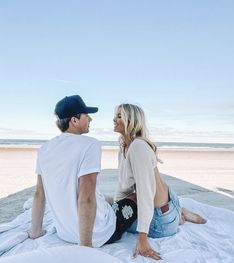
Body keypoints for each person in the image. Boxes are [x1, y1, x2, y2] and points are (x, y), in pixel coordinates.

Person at [28, 95, 137, 247]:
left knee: (109, 199)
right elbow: (86, 197)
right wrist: (86, 246)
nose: (90, 120)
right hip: (100, 233)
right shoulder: (90, 144)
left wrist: (35, 231)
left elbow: (39, 193)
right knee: (135, 198)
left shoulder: (44, 148)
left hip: (65, 233)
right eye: (87, 115)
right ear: (74, 120)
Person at [113, 103, 206, 260]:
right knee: (112, 206)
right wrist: (117, 205)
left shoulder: (138, 147)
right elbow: (124, 185)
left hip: (160, 221)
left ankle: (178, 217)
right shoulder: (125, 145)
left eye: (119, 116)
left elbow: (145, 195)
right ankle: (180, 212)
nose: (114, 119)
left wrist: (142, 239)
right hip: (170, 200)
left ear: (132, 120)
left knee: (114, 225)